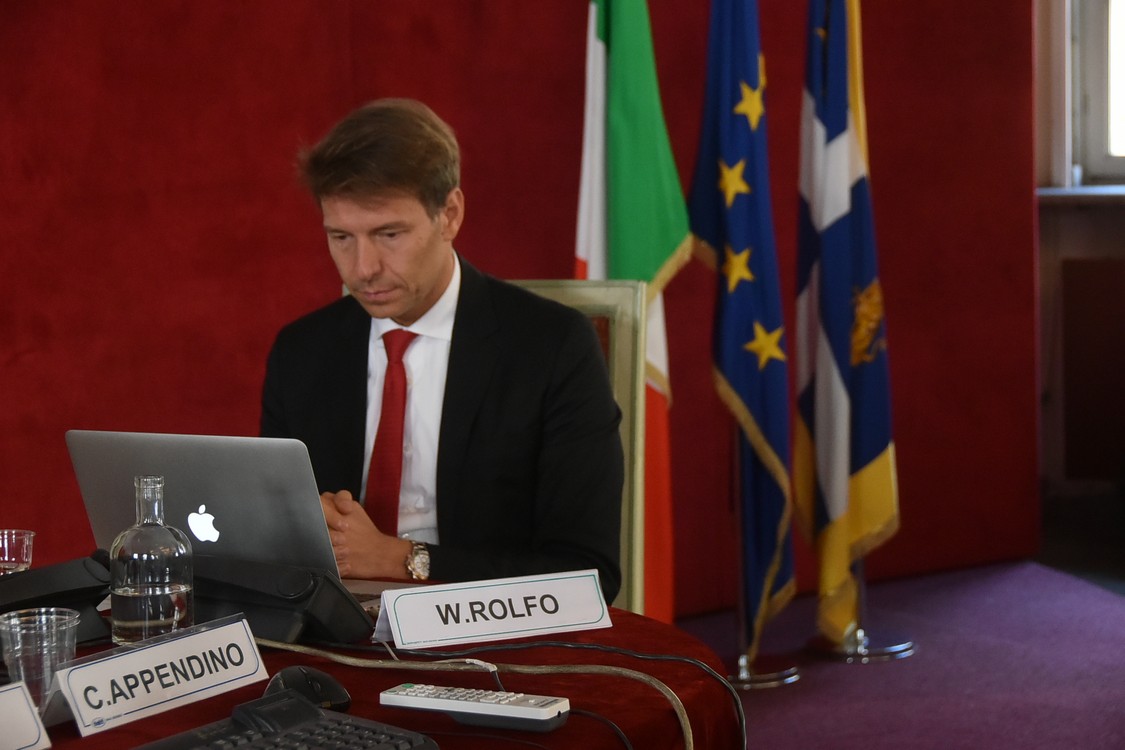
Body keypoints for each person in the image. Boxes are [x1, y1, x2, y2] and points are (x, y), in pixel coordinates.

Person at [260, 98, 623, 600]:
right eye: (341, 237)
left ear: (449, 214)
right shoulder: (301, 351)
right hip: (334, 625)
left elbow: (589, 575)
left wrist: (401, 559)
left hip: (492, 628)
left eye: (389, 234)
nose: (363, 268)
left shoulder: (552, 347)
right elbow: (276, 541)